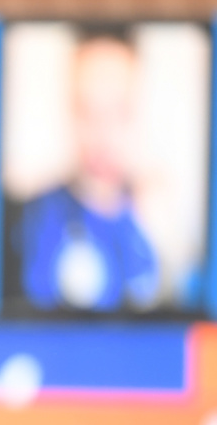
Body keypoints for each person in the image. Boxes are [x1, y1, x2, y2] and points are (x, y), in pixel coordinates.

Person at [9, 29, 158, 313]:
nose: (102, 133)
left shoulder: (161, 231)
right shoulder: (29, 221)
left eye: (120, 111)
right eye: (86, 111)